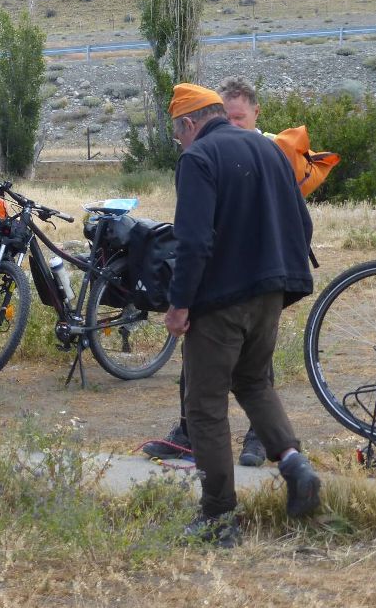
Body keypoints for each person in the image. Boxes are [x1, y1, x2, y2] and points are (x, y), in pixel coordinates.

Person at [164, 83, 321, 546]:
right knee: (254, 383)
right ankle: (294, 464)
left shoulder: (198, 159)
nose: (180, 144)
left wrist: (179, 305)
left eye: (178, 135)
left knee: (205, 405)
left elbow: (192, 243)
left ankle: (217, 518)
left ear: (189, 123)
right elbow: (303, 223)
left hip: (221, 302)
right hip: (271, 291)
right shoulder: (269, 150)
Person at [143, 76, 270, 466]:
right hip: (226, 282)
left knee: (249, 372)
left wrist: (179, 304)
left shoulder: (260, 152)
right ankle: (287, 458)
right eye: (226, 117)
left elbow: (193, 241)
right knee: (202, 367)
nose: (232, 125)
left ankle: (250, 449)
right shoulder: (223, 154)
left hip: (246, 282)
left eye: (238, 117)